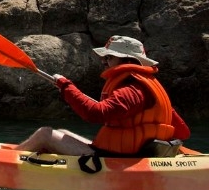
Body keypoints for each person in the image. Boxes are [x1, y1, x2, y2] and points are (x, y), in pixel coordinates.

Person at [16, 35, 190, 157]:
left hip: (118, 158)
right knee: (62, 133)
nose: (104, 61)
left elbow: (94, 114)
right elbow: (181, 131)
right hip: (130, 151)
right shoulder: (145, 84)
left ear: (127, 60)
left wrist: (66, 86)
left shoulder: (132, 89)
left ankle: (5, 159)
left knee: (45, 134)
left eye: (109, 57)